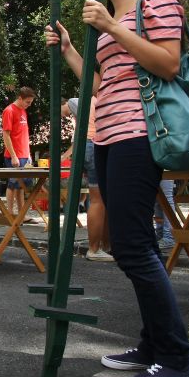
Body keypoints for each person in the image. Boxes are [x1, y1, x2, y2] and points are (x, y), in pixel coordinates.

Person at [45, 0, 189, 377]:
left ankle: (177, 357)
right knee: (133, 246)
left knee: (132, 246)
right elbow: (102, 80)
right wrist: (72, 49)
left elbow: (168, 63)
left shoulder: (156, 1)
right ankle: (152, 345)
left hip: (139, 135)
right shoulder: (111, 13)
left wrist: (110, 27)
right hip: (108, 136)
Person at [61, 98, 112, 261]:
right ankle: (95, 249)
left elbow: (66, 110)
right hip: (95, 144)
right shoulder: (105, 97)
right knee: (100, 200)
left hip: (85, 145)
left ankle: (105, 246)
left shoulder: (80, 100)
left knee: (99, 199)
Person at [2, 87, 35, 218]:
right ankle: (9, 213)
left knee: (21, 186)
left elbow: (24, 134)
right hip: (14, 155)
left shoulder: (23, 111)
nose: (29, 105)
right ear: (20, 98)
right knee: (12, 183)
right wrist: (14, 156)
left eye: (31, 102)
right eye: (27, 102)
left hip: (24, 154)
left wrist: (29, 155)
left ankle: (22, 214)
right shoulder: (9, 111)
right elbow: (6, 134)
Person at [154, 179, 176, 249]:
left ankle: (169, 237)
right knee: (156, 199)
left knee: (166, 198)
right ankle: (160, 235)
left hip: (167, 170)